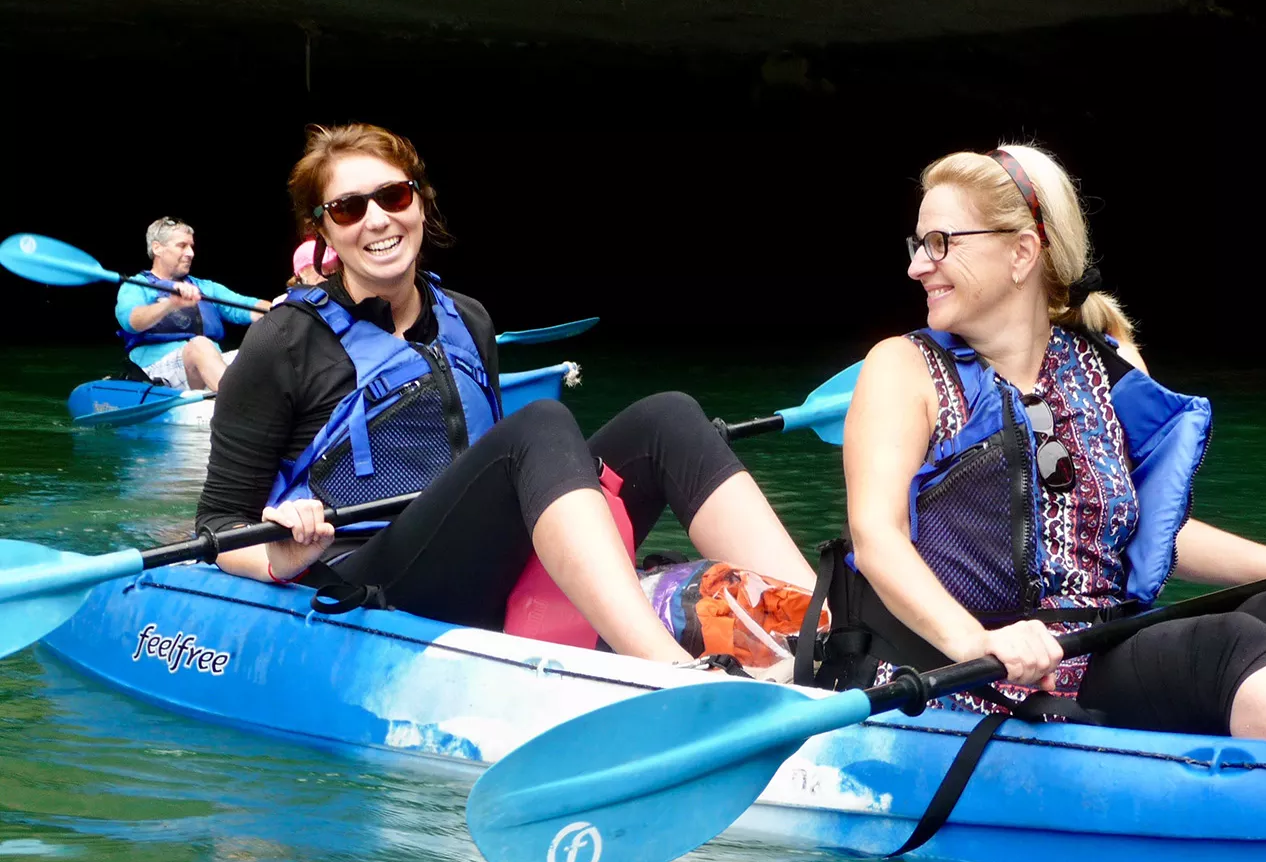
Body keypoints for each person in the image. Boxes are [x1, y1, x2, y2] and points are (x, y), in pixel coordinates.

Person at [840, 144, 1266, 745]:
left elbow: (1145, 525)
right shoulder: (901, 368)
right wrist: (976, 642)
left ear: (1021, 253)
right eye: (919, 244)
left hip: (1104, 647)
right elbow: (877, 538)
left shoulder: (1107, 365)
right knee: (1221, 644)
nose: (918, 267)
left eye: (942, 242)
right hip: (981, 670)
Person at [196, 123, 815, 664]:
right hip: (370, 577)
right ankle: (662, 667)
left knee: (668, 418)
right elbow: (219, 523)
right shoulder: (282, 341)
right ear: (324, 231)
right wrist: (278, 553)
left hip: (486, 559)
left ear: (420, 202)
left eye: (393, 195)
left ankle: (822, 626)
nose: (377, 219)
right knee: (542, 422)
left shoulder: (468, 317)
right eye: (349, 208)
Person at [116, 217, 270, 391]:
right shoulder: (135, 286)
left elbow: (249, 306)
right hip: (156, 370)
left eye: (191, 246)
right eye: (182, 246)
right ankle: (239, 406)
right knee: (200, 345)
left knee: (263, 353)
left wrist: (280, 309)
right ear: (157, 248)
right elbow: (132, 322)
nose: (191, 253)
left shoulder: (205, 287)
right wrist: (170, 304)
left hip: (209, 362)